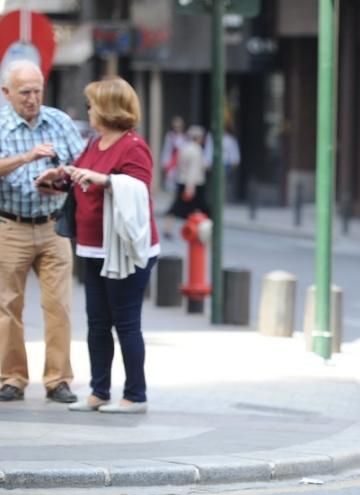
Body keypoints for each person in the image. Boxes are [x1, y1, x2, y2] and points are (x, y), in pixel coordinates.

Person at [35, 76, 160, 414]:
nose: (88, 110)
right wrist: (58, 181)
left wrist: (104, 180)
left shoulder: (132, 146)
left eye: (91, 105)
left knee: (126, 323)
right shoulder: (94, 143)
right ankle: (98, 392)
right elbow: (85, 186)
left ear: (107, 108)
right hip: (92, 246)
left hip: (124, 249)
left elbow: (139, 189)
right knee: (97, 323)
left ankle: (135, 396)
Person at [0, 60, 85, 404]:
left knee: (59, 306)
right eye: (25, 92)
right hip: (10, 226)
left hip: (53, 226)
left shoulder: (60, 121)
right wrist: (26, 157)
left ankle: (58, 379)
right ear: (7, 93)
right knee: (7, 306)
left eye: (37, 90)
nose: (33, 98)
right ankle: (12, 378)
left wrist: (60, 180)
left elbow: (83, 166)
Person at [165, 125, 209, 233]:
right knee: (201, 208)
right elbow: (193, 170)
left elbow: (180, 165)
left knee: (177, 207)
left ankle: (169, 228)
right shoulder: (196, 150)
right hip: (194, 183)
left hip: (182, 181)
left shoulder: (184, 148)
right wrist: (190, 186)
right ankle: (202, 231)